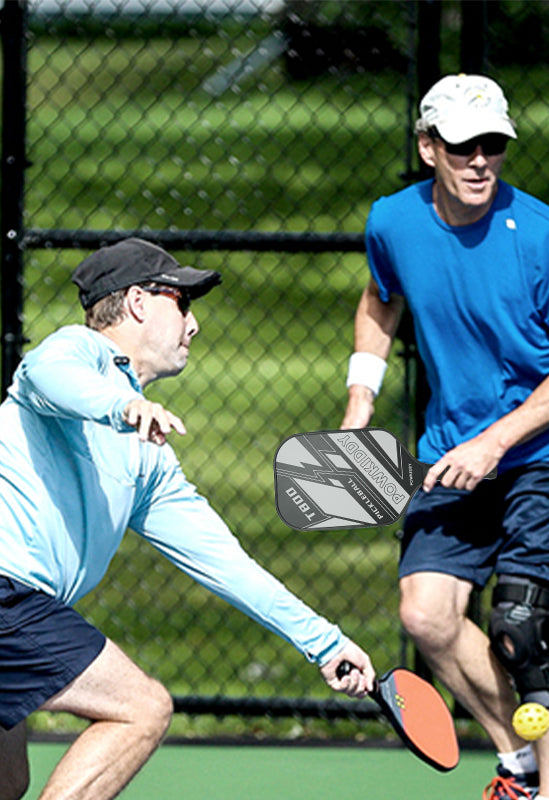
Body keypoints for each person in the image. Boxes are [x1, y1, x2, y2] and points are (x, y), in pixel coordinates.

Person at [0, 238, 375, 800]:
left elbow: (225, 564)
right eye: (183, 302)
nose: (194, 325)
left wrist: (323, 641)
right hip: (10, 599)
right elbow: (48, 373)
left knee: (8, 781)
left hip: (23, 611)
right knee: (141, 709)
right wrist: (124, 406)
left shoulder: (150, 461)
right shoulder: (78, 352)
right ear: (137, 303)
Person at [342, 75, 549, 800]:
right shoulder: (393, 222)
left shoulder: (545, 237)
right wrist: (359, 398)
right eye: (462, 146)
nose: (479, 161)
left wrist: (495, 444)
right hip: (453, 449)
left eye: (493, 145)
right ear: (428, 147)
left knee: (521, 626)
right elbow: (380, 298)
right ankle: (521, 764)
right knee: (426, 615)